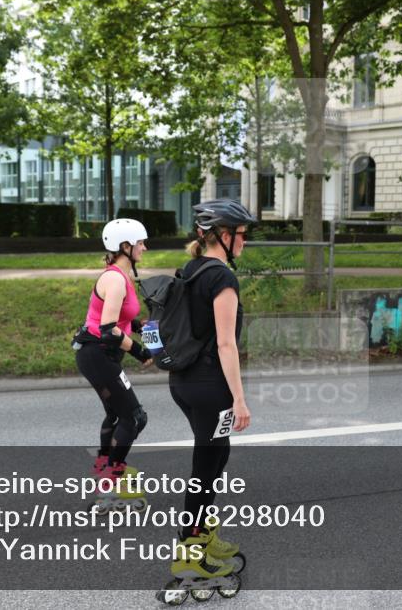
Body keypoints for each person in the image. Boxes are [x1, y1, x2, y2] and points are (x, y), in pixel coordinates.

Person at [168, 199, 255, 581]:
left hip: (184, 383)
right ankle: (189, 551)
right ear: (223, 235)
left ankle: (201, 535)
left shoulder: (190, 269)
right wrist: (239, 399)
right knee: (206, 467)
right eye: (241, 234)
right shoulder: (221, 278)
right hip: (209, 387)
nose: (244, 242)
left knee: (217, 456)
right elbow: (225, 344)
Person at [74, 218, 154, 511]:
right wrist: (141, 352)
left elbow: (118, 318)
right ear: (125, 246)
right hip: (98, 355)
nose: (144, 248)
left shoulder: (120, 276)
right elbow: (108, 329)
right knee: (134, 417)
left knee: (116, 414)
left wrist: (138, 324)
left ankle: (104, 470)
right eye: (140, 243)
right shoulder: (115, 279)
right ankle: (112, 479)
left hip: (97, 355)